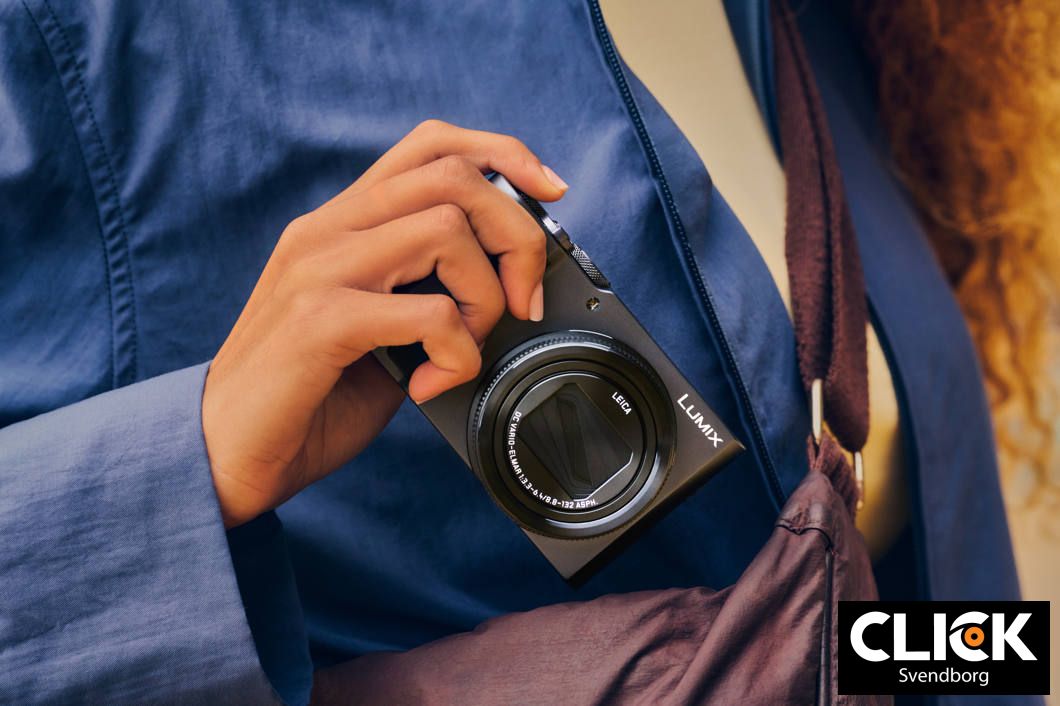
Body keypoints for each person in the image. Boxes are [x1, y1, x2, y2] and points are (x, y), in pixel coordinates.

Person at [0, 1, 1032, 704]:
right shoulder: (90, 41)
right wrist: (189, 463)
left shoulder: (832, 28)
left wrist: (997, 658)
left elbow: (868, 605)